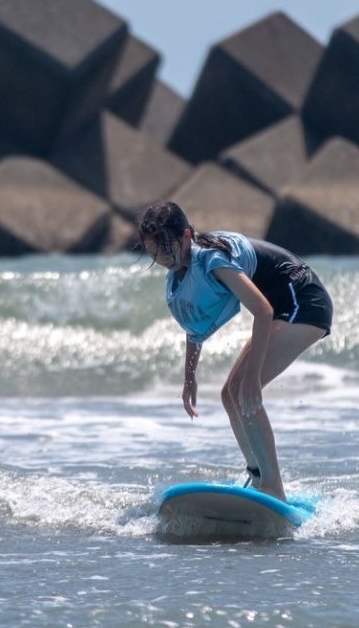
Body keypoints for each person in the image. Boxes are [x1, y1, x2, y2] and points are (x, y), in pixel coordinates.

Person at [138, 201, 332, 501]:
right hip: (282, 306)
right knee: (230, 394)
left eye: (166, 250)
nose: (163, 260)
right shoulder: (186, 269)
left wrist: (253, 376)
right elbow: (195, 325)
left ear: (186, 236)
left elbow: (263, 311)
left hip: (304, 300)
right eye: (154, 254)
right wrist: (189, 377)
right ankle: (257, 476)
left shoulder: (213, 259)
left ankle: (274, 488)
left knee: (244, 390)